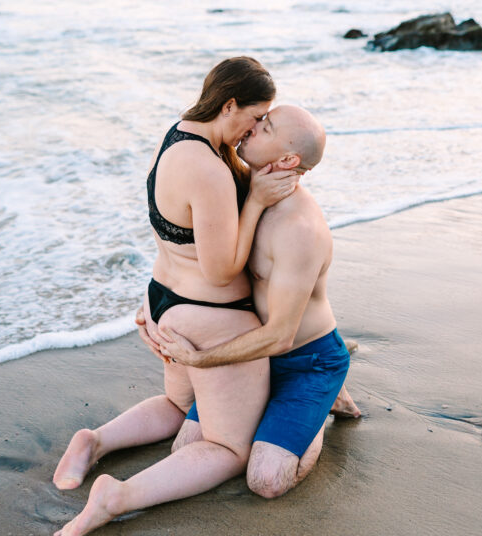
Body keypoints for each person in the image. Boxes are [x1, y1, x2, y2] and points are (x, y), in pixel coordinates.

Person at [51, 57, 298, 536]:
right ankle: (117, 496)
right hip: (212, 314)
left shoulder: (176, 137)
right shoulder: (207, 168)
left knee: (177, 402)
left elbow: (176, 234)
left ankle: (95, 440)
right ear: (230, 104)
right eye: (256, 116)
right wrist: (257, 203)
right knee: (228, 448)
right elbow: (220, 268)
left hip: (165, 298)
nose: (255, 130)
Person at [145, 104, 361, 500]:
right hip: (251, 354)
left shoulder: (299, 229)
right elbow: (183, 253)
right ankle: (282, 417)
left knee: (265, 480)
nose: (252, 128)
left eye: (267, 127)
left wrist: (198, 360)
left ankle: (321, 406)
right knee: (186, 447)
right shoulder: (240, 186)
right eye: (259, 119)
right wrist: (150, 309)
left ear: (288, 160)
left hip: (304, 359)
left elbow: (280, 337)